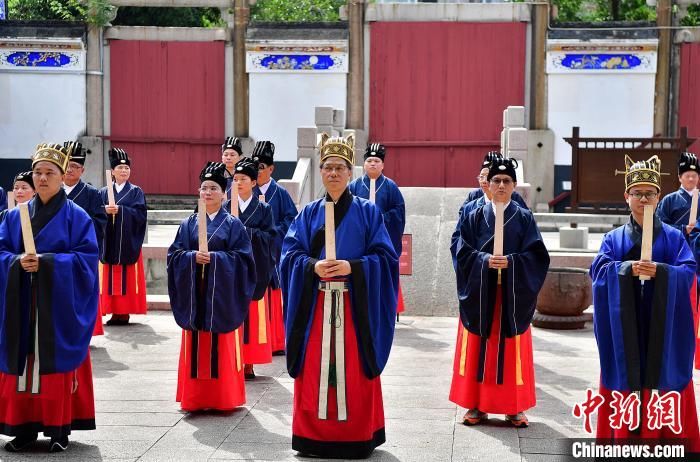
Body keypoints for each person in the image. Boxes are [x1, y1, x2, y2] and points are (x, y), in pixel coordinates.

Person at [280, 133, 398, 458]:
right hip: (316, 306)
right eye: (328, 167)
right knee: (315, 366)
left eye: (340, 168)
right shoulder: (307, 214)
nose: (333, 173)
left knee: (354, 369)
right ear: (320, 172)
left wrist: (354, 266)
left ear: (351, 173)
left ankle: (357, 434)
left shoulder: (368, 212)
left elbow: (386, 259)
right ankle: (312, 436)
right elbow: (289, 255)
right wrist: (312, 267)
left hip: (353, 307)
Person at [591, 155, 699, 449]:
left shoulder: (675, 238)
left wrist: (662, 272)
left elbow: (689, 270)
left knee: (663, 373)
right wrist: (625, 269)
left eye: (649, 193)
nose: (642, 199)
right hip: (627, 322)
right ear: (626, 197)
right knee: (627, 369)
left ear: (658, 197)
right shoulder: (613, 239)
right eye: (636, 193)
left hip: (661, 323)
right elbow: (598, 271)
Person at [0, 143, 98, 453]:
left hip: (57, 308)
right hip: (23, 303)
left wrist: (49, 262)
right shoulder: (15, 217)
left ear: (62, 176)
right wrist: (16, 263)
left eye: (49, 173)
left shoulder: (77, 217)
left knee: (54, 364)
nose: (42, 179)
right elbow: (2, 252)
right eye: (38, 173)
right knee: (23, 361)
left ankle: (59, 428)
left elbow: (86, 259)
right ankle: (23, 428)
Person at [449, 156, 549, 428]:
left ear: (514, 185)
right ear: (488, 185)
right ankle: (476, 405)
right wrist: (482, 261)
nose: (501, 185)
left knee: (511, 350)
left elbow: (537, 256)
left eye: (507, 181)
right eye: (496, 180)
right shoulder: (472, 216)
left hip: (512, 296)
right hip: (482, 294)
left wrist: (514, 262)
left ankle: (513, 407)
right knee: (478, 348)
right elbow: (460, 250)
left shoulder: (524, 217)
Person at [168, 162, 256, 412]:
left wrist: (216, 259)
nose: (207, 193)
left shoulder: (233, 225)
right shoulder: (188, 224)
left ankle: (222, 398)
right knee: (196, 343)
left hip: (221, 296)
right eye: (204, 188)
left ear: (224, 194)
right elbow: (174, 255)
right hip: (195, 295)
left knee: (221, 345)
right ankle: (195, 398)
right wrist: (190, 258)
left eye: (213, 188)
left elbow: (244, 260)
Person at [226, 158, 276, 379]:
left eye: (243, 179)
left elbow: (270, 237)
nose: (238, 183)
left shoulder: (263, 209)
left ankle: (249, 362)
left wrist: (247, 232)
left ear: (254, 183)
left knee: (253, 317)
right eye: (235, 179)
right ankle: (231, 359)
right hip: (230, 270)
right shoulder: (226, 207)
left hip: (255, 267)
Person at [348, 143, 406, 316]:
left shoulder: (391, 187)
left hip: (383, 238)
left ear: (383, 165)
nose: (373, 163)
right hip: (359, 239)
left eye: (377, 161)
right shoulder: (354, 186)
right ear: (364, 164)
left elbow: (398, 213)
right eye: (370, 160)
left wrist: (379, 219)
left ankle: (383, 308)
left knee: (381, 272)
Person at [251, 140, 298, 355]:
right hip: (250, 253)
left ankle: (276, 341)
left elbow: (290, 221)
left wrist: (271, 233)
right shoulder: (245, 191)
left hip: (273, 254)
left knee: (272, 296)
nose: (258, 170)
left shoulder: (280, 193)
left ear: (271, 169)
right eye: (255, 165)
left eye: (262, 167)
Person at [63, 141, 108, 336]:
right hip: (56, 253)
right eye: (67, 166)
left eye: (75, 167)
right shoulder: (53, 192)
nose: (70, 170)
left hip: (80, 254)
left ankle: (82, 332)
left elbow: (100, 222)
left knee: (80, 294)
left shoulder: (91, 194)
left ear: (82, 170)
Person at [99, 148, 147, 325]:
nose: (124, 171)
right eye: (120, 168)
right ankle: (112, 310)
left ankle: (124, 311)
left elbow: (141, 215)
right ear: (112, 171)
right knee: (109, 274)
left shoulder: (136, 191)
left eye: (127, 168)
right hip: (109, 239)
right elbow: (96, 212)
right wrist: (105, 210)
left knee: (126, 276)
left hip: (127, 241)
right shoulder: (104, 192)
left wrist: (122, 211)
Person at [458, 151, 528, 220]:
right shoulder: (474, 197)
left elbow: (526, 218)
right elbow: (463, 217)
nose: (484, 181)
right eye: (482, 176)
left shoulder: (514, 197)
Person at [221, 137, 243, 201]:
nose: (228, 158)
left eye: (232, 155)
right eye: (225, 155)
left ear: (240, 157)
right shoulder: (216, 174)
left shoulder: (245, 176)